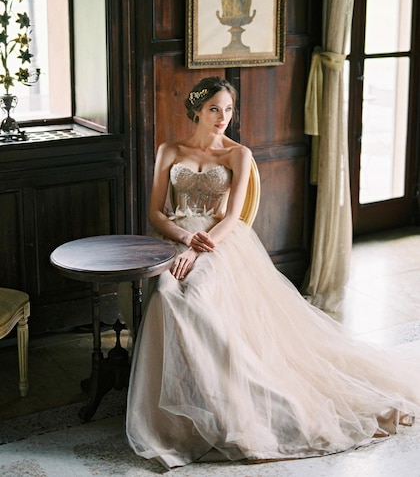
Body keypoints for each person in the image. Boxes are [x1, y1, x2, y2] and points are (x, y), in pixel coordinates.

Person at [125, 76, 420, 469]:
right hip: (174, 238)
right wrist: (183, 237)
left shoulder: (238, 154)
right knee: (164, 292)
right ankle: (177, 412)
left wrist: (199, 247)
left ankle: (232, 400)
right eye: (214, 109)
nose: (222, 118)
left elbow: (233, 217)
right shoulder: (169, 150)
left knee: (194, 297)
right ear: (196, 109)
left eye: (228, 110)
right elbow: (155, 212)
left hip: (218, 243)